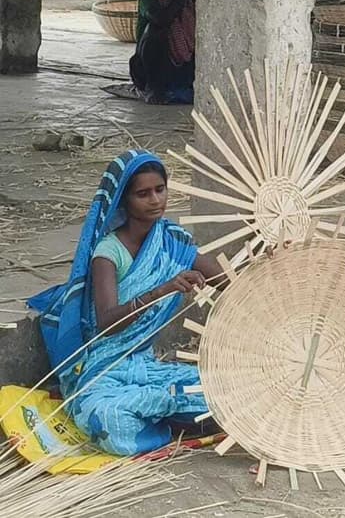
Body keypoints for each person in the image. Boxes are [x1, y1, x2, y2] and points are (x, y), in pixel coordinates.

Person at [28, 150, 223, 456]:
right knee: (109, 420)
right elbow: (108, 322)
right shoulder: (108, 252)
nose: (155, 200)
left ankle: (161, 414)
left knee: (224, 390)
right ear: (123, 200)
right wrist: (161, 291)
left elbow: (227, 280)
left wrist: (271, 256)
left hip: (145, 368)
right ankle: (170, 421)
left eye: (160, 189)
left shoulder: (172, 241)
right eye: (143, 194)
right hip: (103, 369)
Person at [130, 0, 196, 105]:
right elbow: (161, 19)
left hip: (183, 67)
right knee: (155, 30)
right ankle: (154, 89)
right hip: (151, 69)